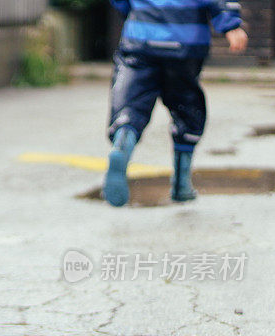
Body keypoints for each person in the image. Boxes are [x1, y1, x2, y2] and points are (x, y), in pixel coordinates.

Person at [103, 0, 248, 207]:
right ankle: (181, 184)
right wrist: (230, 25)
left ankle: (123, 140)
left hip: (140, 37)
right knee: (186, 108)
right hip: (185, 43)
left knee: (131, 103)